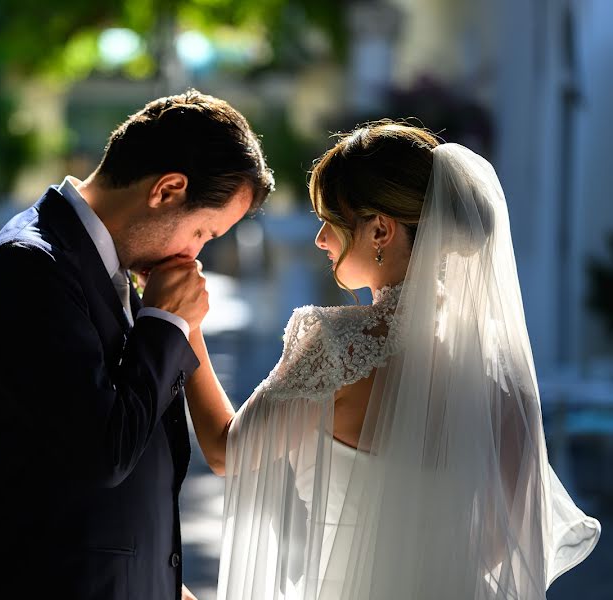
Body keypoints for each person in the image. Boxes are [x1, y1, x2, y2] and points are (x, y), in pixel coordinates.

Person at [187, 121, 601, 599]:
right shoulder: (501, 377)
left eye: (330, 220)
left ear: (380, 228)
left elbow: (226, 451)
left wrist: (189, 327)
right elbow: (509, 537)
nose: (321, 239)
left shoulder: (340, 348)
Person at [0, 90, 275, 600]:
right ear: (167, 190)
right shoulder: (31, 265)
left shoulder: (117, 268)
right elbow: (100, 455)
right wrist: (165, 321)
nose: (196, 254)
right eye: (202, 232)